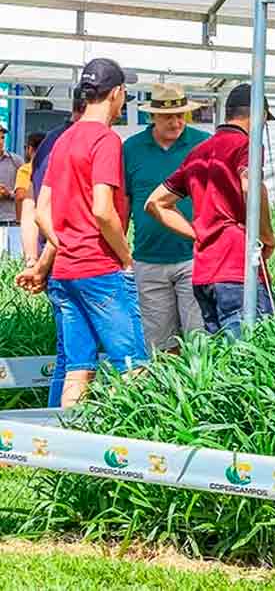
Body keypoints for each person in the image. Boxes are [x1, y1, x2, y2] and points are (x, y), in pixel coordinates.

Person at [16, 58, 148, 407]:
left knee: (78, 367)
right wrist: (125, 256)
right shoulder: (105, 140)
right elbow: (103, 210)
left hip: (65, 272)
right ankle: (135, 446)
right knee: (132, 365)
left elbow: (42, 211)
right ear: (117, 93)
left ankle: (59, 451)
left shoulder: (63, 139)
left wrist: (64, 242)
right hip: (100, 269)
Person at [145, 82, 275, 338]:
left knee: (221, 359)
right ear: (259, 114)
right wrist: (266, 235)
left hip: (205, 272)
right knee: (253, 358)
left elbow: (155, 203)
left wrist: (200, 231)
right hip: (237, 268)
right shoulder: (245, 145)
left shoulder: (199, 151)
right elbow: (251, 186)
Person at [122, 83, 210, 354]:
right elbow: (124, 201)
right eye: (168, 116)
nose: (176, 122)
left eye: (181, 115)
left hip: (194, 256)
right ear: (153, 117)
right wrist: (121, 252)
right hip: (148, 259)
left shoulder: (203, 143)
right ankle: (168, 393)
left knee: (199, 339)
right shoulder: (132, 148)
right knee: (158, 344)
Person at [18, 92, 84, 408]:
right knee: (81, 357)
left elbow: (32, 203)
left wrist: (34, 259)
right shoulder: (80, 142)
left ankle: (53, 431)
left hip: (54, 259)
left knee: (68, 353)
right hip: (75, 260)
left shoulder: (49, 142)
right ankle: (68, 431)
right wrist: (42, 262)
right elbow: (59, 212)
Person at [13, 132, 43, 262]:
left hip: (31, 222)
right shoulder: (52, 166)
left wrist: (19, 222)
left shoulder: (26, 169)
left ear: (30, 148)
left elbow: (20, 196)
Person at [0, 121, 24, 256]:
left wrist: (8, 193)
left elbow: (25, 193)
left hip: (10, 220)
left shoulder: (16, 161)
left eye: (2, 137)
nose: (0, 141)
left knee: (10, 258)